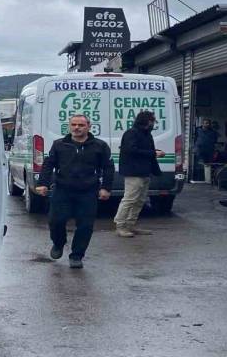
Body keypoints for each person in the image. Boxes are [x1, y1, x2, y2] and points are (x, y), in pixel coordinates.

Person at [34, 114, 114, 269]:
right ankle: (58, 243)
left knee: (85, 225)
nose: (77, 128)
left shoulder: (100, 146)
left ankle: (77, 255)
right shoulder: (59, 144)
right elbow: (48, 164)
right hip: (62, 190)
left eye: (81, 125)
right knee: (55, 221)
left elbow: (108, 168)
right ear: (69, 126)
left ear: (88, 127)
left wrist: (106, 188)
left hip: (88, 191)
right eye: (74, 125)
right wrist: (43, 183)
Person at [114, 110, 164, 238]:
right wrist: (153, 153)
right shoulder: (131, 133)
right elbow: (131, 150)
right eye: (152, 121)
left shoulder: (147, 134)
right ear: (147, 121)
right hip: (133, 171)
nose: (153, 123)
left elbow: (145, 150)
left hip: (144, 171)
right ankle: (120, 226)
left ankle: (131, 224)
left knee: (140, 200)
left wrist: (155, 153)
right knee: (129, 199)